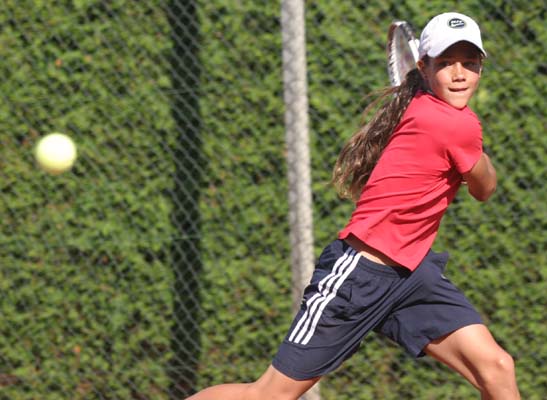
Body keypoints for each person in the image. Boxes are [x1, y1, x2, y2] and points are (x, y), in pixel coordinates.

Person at [187, 11, 521, 400]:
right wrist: (477, 159)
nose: (460, 74)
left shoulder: (423, 106)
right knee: (269, 395)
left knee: (496, 367)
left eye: (470, 62)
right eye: (446, 62)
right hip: (360, 276)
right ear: (423, 67)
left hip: (412, 272)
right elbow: (484, 188)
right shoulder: (455, 124)